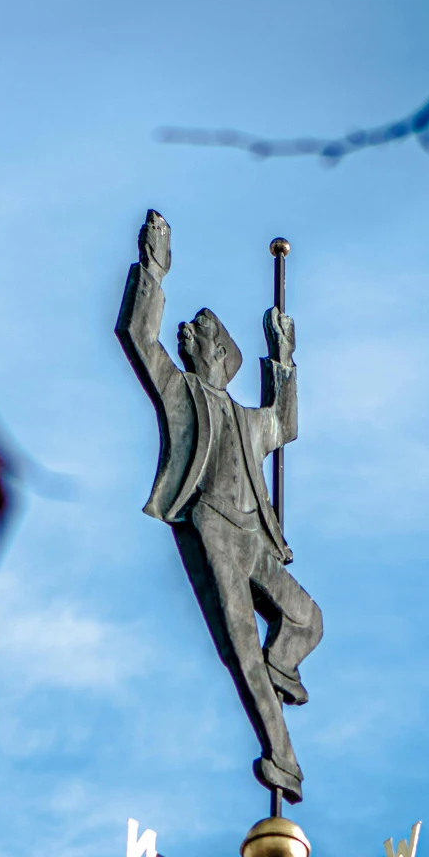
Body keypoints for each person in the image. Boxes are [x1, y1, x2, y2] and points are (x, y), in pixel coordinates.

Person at [116, 208, 321, 802]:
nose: (186, 336)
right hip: (212, 528)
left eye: (198, 332)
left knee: (307, 617)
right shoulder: (180, 392)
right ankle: (283, 757)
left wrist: (282, 359)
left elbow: (284, 422)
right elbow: (139, 338)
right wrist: (153, 272)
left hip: (254, 536)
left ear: (220, 351)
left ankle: (284, 662)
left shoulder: (246, 420)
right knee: (239, 649)